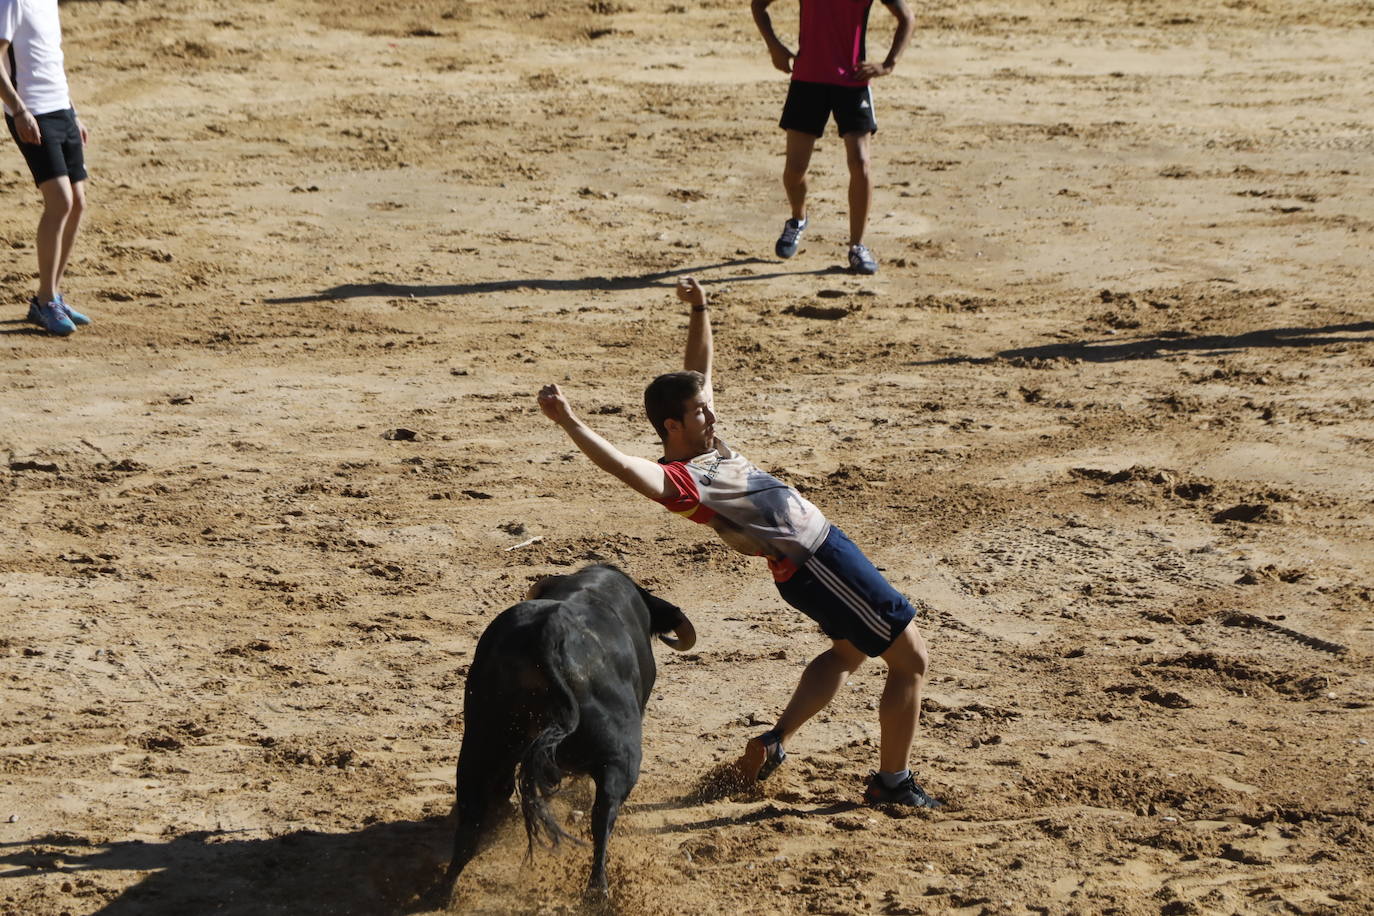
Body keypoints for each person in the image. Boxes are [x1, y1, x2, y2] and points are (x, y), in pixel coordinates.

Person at [536, 278, 942, 808]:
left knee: (848, 653)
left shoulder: (707, 443)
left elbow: (698, 373)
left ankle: (775, 742)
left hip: (820, 560)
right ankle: (892, 784)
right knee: (911, 659)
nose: (713, 414)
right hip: (821, 565)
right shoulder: (683, 482)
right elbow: (621, 465)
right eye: (701, 411)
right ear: (671, 425)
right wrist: (569, 421)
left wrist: (699, 308)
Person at [751, 0, 913, 276]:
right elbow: (758, 5)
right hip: (807, 81)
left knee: (860, 163)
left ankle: (857, 247)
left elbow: (906, 16)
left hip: (853, 83)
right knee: (794, 170)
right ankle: (798, 219)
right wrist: (774, 48)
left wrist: (888, 64)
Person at [0, 0, 91, 337]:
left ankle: (51, 295)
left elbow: (50, 59)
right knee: (60, 202)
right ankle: (45, 300)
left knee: (78, 202)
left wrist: (73, 110)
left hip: (60, 109)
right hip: (32, 115)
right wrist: (19, 110)